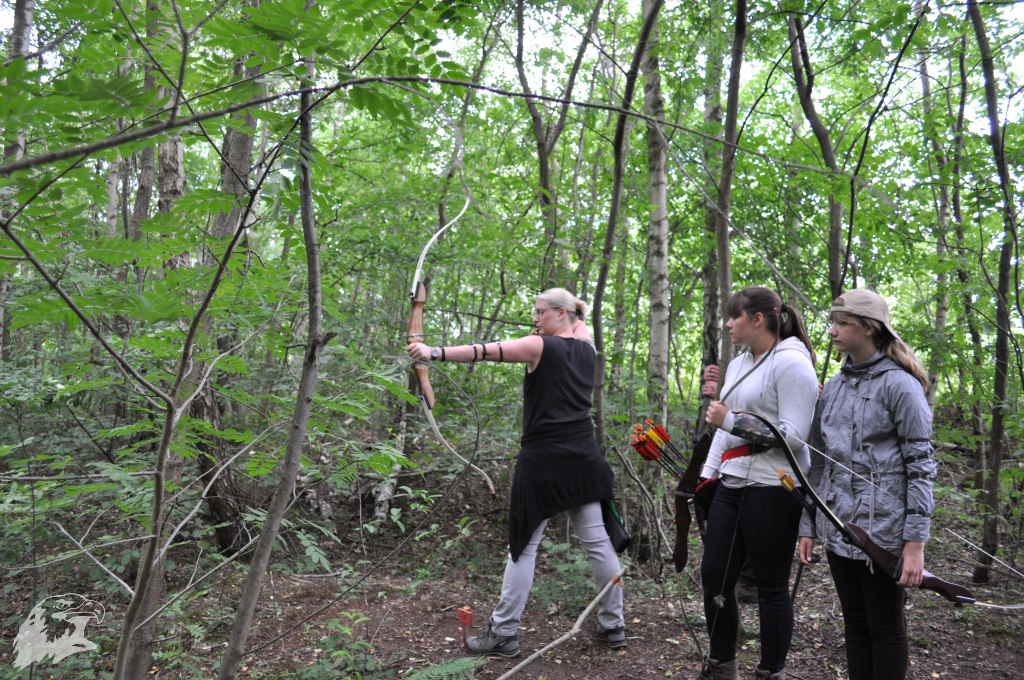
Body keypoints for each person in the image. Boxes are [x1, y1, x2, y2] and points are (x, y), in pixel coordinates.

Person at [406, 287, 625, 658]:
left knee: (523, 546)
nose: (535, 319)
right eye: (534, 313)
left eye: (541, 312)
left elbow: (484, 351)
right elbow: (579, 326)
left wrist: (432, 353)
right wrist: (565, 317)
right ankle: (614, 625)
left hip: (543, 462)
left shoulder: (539, 346)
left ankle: (504, 633)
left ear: (561, 313)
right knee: (598, 543)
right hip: (584, 459)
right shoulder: (588, 348)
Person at [797, 289, 935, 680]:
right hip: (838, 526)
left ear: (869, 328)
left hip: (884, 533)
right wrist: (809, 525)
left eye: (842, 324)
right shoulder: (834, 387)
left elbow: (920, 467)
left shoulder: (901, 386)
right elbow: (819, 462)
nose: (832, 331)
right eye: (833, 322)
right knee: (855, 624)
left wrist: (914, 543)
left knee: (885, 627)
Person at [697, 287, 819, 680]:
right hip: (731, 484)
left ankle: (770, 672)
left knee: (770, 586)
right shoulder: (737, 365)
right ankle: (722, 666)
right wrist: (706, 478)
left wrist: (731, 421)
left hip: (774, 487)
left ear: (758, 319)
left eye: (734, 316)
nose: (728, 324)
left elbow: (794, 437)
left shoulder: (793, 363)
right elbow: (722, 432)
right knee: (715, 577)